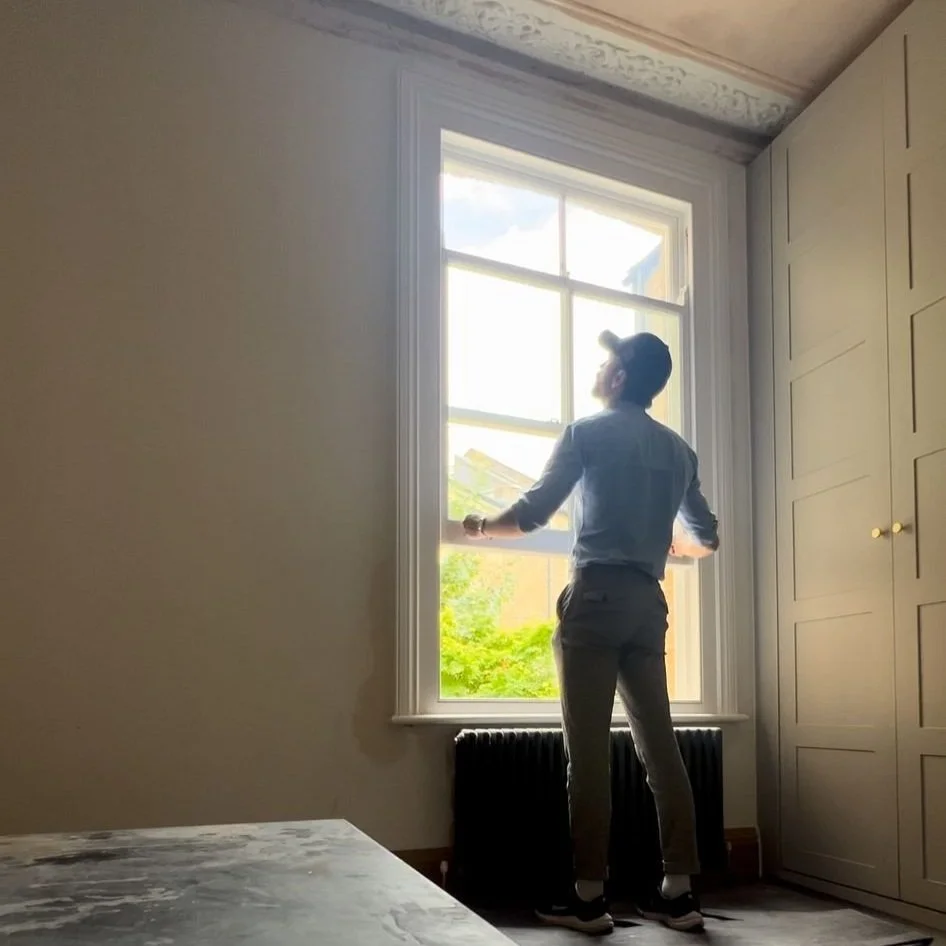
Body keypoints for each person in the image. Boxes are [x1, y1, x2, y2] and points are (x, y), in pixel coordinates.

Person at [462, 330, 719, 936]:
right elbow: (706, 538)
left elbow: (529, 513)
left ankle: (587, 899)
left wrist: (476, 526)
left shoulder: (587, 433)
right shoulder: (679, 451)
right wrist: (659, 540)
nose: (599, 369)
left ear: (622, 377)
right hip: (647, 604)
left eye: (606, 361)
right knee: (662, 748)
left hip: (597, 600)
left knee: (589, 754)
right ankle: (678, 894)